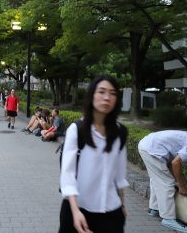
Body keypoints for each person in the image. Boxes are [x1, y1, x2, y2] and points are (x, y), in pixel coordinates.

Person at [59, 75, 128, 233]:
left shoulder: (120, 132)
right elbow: (67, 175)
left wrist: (122, 205)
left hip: (111, 212)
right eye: (101, 91)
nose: (107, 97)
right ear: (92, 96)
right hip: (78, 211)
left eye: (112, 93)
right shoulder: (77, 129)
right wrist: (76, 212)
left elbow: (119, 176)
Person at [138, 130, 187, 232]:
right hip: (151, 149)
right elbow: (175, 163)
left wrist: (179, 181)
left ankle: (154, 209)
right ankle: (168, 218)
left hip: (147, 145)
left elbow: (171, 163)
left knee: (158, 179)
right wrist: (182, 186)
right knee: (167, 182)